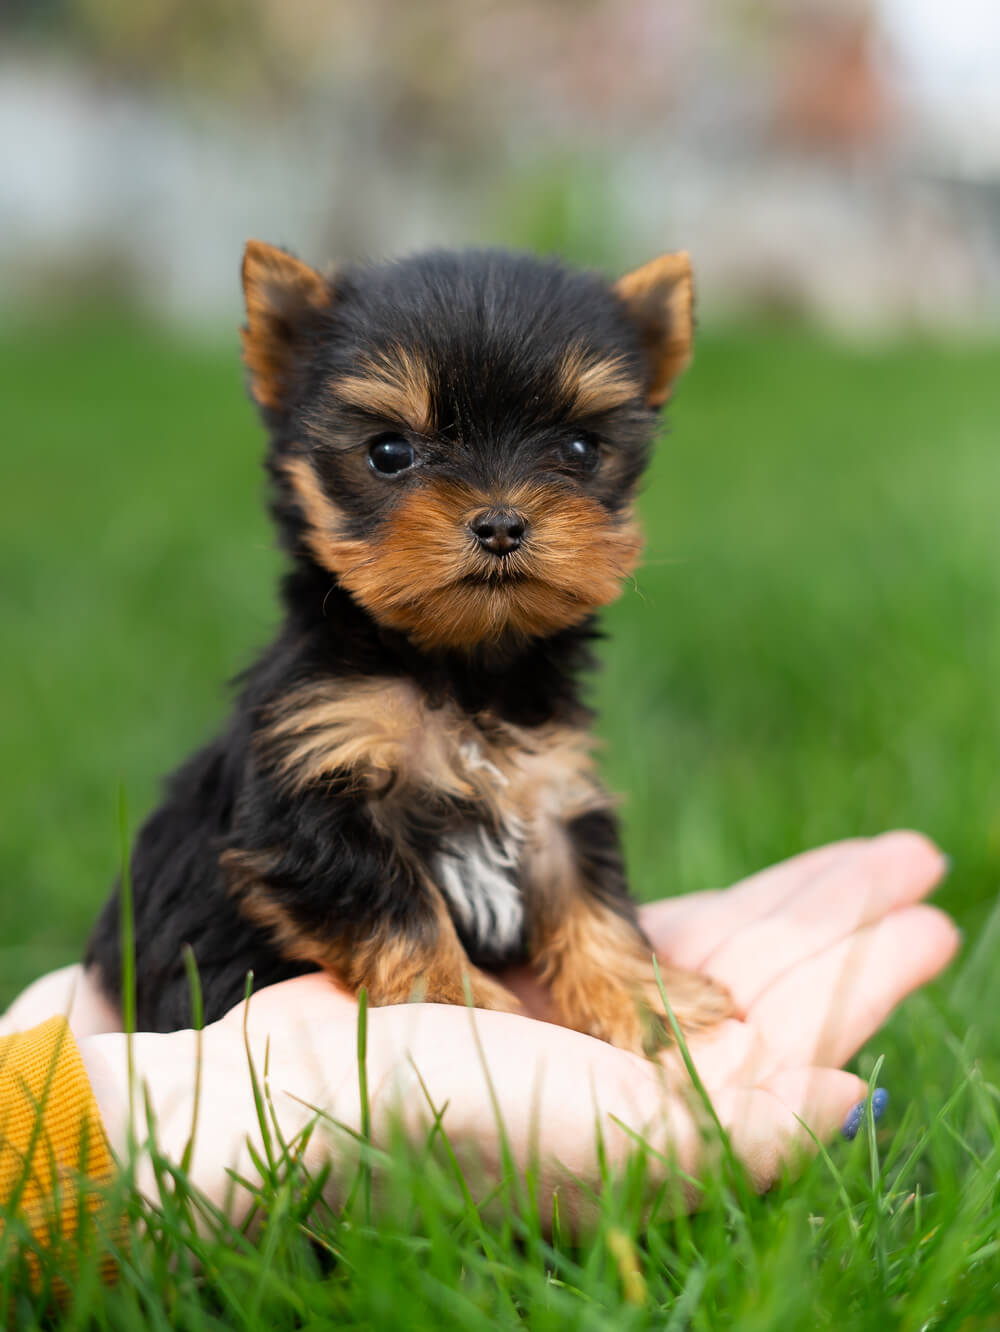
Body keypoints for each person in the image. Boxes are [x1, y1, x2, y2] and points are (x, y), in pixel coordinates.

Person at [0, 833, 957, 1253]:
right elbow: (305, 852)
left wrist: (95, 1095)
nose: (498, 509)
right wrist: (220, 1102)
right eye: (389, 453)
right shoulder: (321, 706)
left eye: (574, 449)